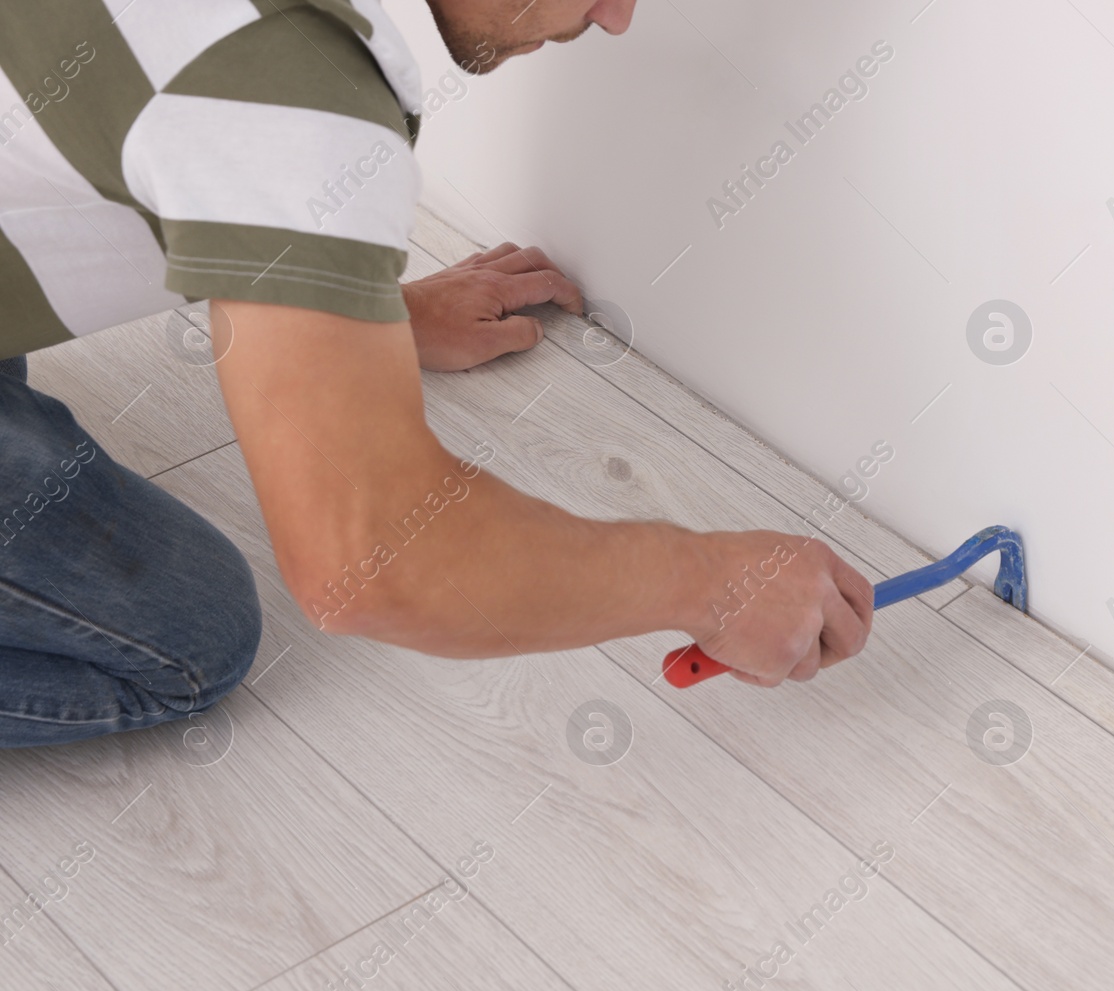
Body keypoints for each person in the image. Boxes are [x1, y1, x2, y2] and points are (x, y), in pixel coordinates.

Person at [0, 0, 873, 748]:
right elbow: (371, 560)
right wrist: (710, 583)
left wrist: (363, 313)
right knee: (188, 632)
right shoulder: (277, 92)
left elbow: (163, 124)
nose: (616, 16)